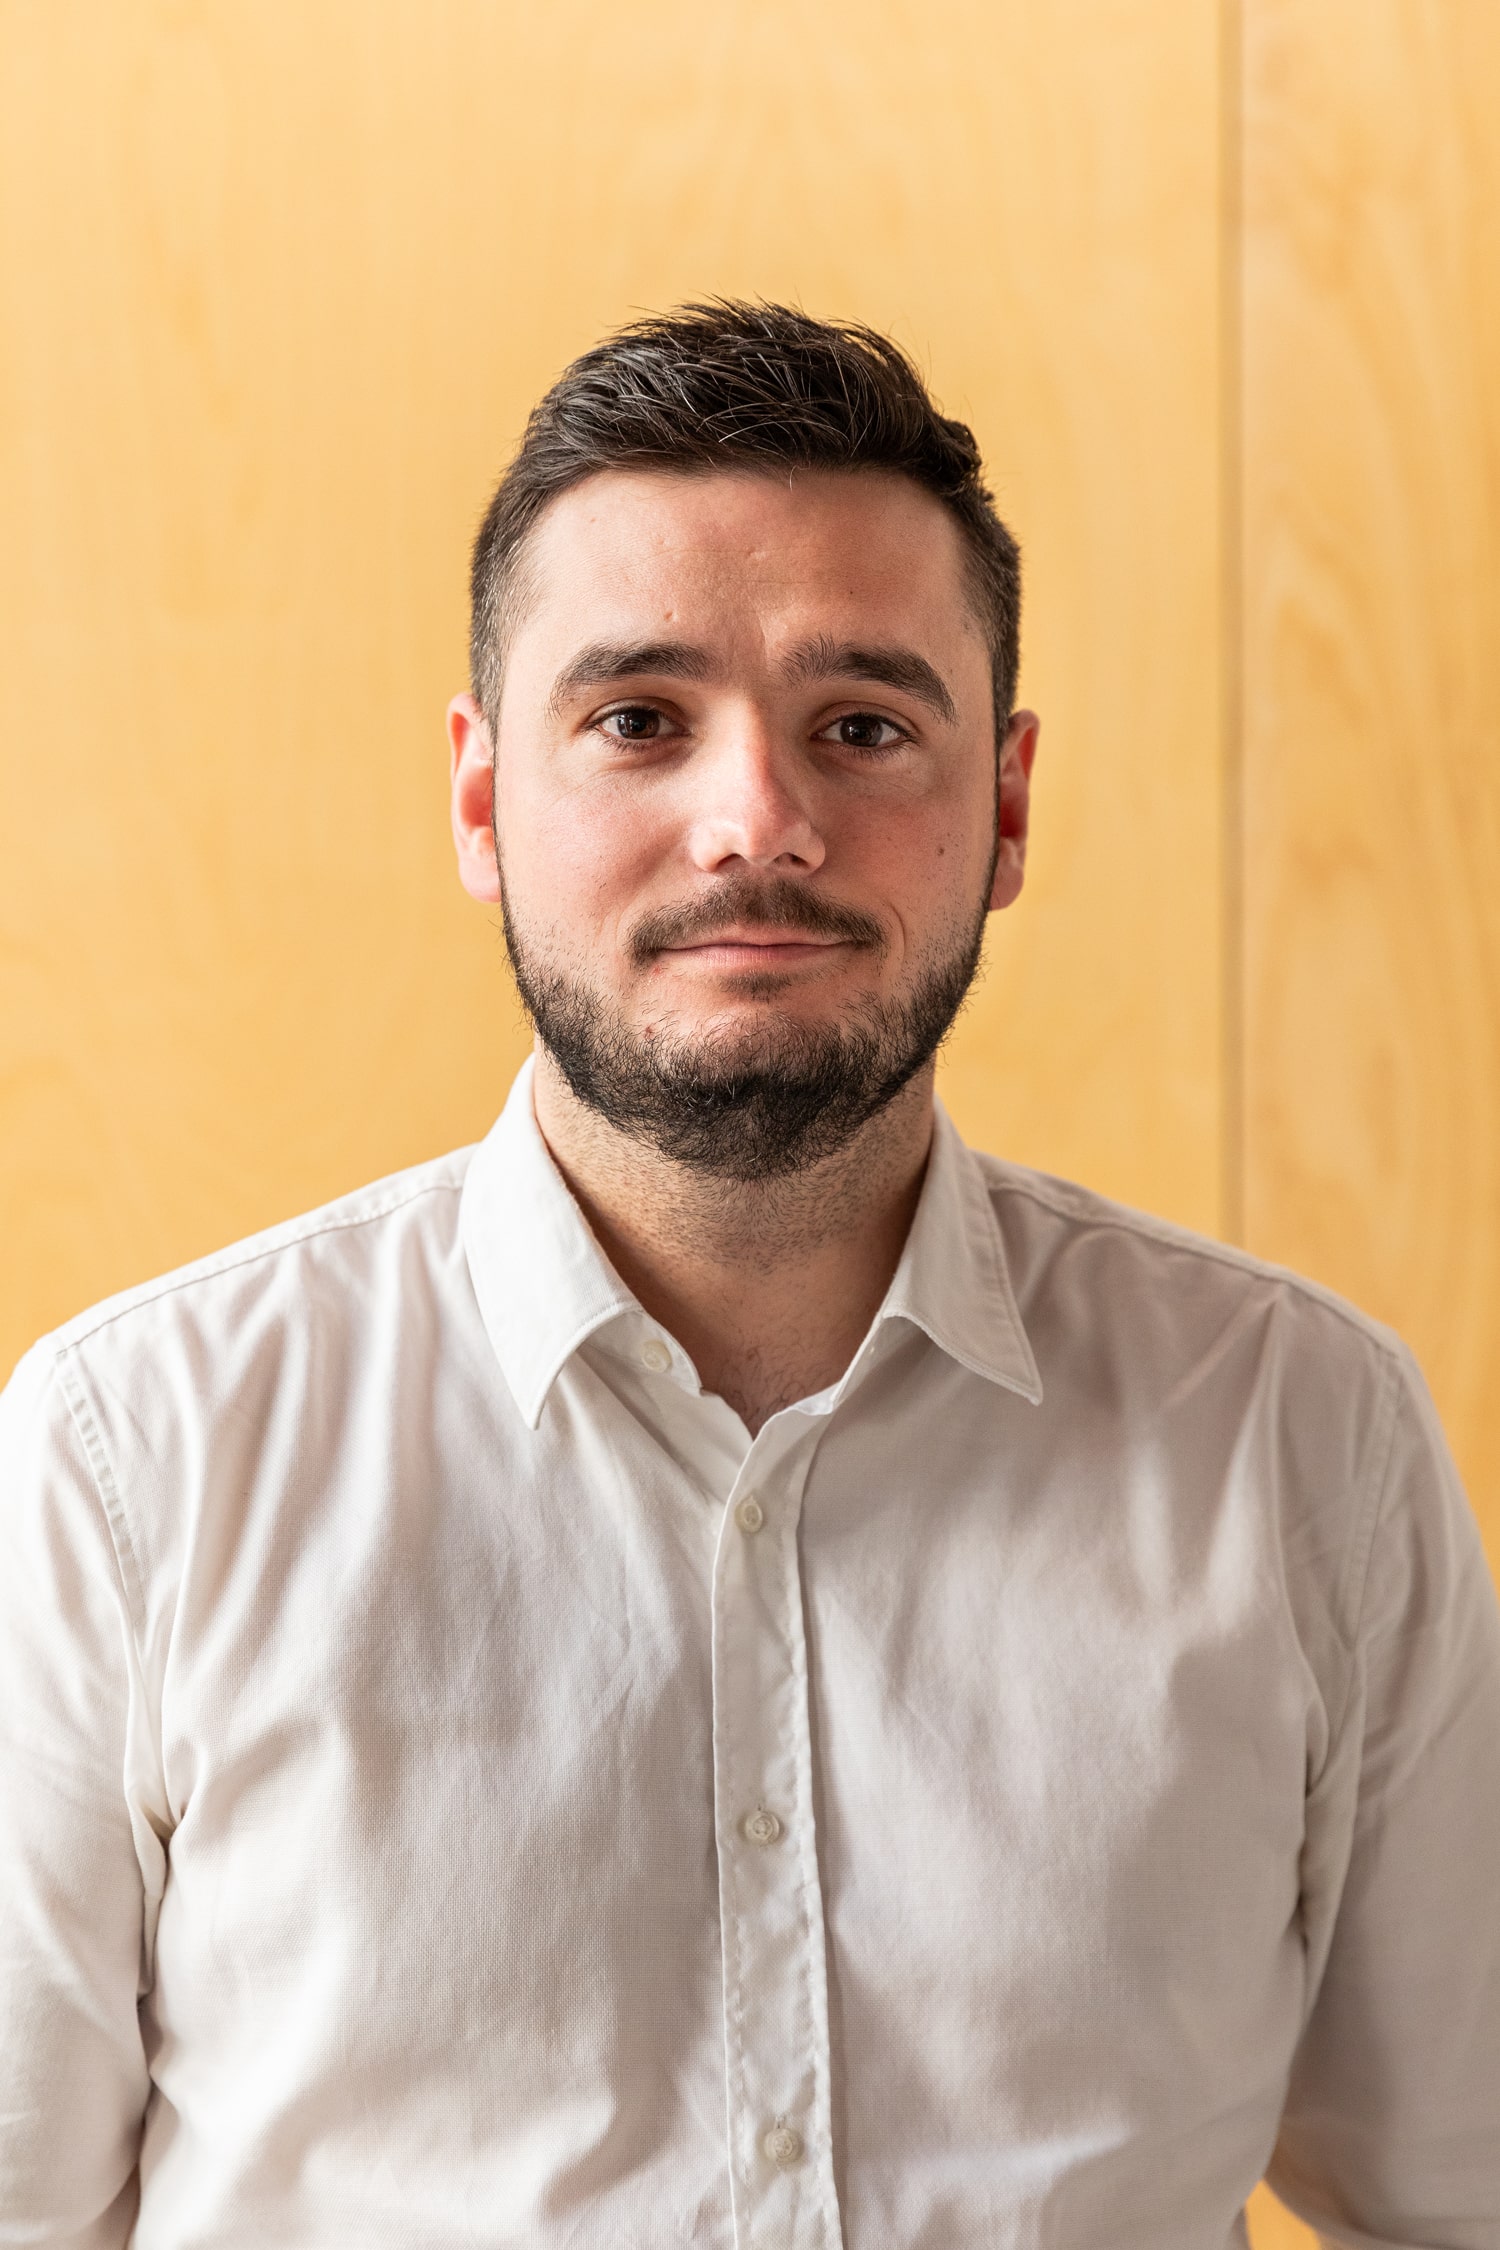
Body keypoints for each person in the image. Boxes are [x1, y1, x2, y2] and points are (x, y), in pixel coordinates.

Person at [2, 301, 1497, 2250]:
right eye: (639, 720)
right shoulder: (132, 1463)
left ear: (1010, 805)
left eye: (863, 727)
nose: (757, 825)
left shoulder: (1301, 1437)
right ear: (480, 798)